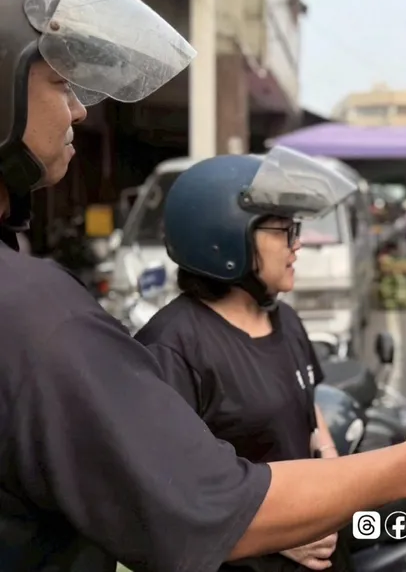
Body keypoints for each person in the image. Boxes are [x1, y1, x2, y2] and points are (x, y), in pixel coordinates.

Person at [0, 0, 406, 572]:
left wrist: (332, 496)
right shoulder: (90, 328)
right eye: (60, 79)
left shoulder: (286, 322)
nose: (80, 111)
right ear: (226, 238)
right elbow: (198, 504)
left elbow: (311, 433)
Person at [133, 151, 351, 571]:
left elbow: (306, 404)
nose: (298, 243)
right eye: (284, 230)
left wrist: (329, 464)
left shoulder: (282, 317)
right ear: (225, 238)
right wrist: (274, 535)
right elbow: (168, 488)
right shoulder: (172, 347)